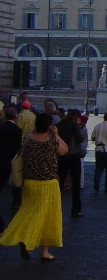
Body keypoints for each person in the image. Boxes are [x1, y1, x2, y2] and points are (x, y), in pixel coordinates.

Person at [0, 112, 68, 261]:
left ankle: (26, 241)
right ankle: (44, 250)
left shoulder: (28, 139)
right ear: (50, 126)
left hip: (30, 183)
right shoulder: (51, 140)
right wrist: (56, 134)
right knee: (48, 217)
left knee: (28, 212)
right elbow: (64, 150)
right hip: (49, 183)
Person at [56, 109, 84, 218]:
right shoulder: (73, 125)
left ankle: (56, 208)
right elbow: (80, 139)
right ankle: (76, 210)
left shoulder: (59, 124)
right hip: (73, 157)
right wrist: (77, 126)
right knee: (76, 184)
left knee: (60, 184)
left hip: (62, 156)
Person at [0, 106, 23, 230]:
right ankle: (16, 201)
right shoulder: (17, 130)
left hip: (1, 161)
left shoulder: (1, 128)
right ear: (15, 116)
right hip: (11, 162)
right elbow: (18, 149)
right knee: (15, 182)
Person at [90, 112, 107, 193]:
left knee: (98, 168)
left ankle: (96, 183)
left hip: (98, 149)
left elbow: (92, 138)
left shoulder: (97, 126)